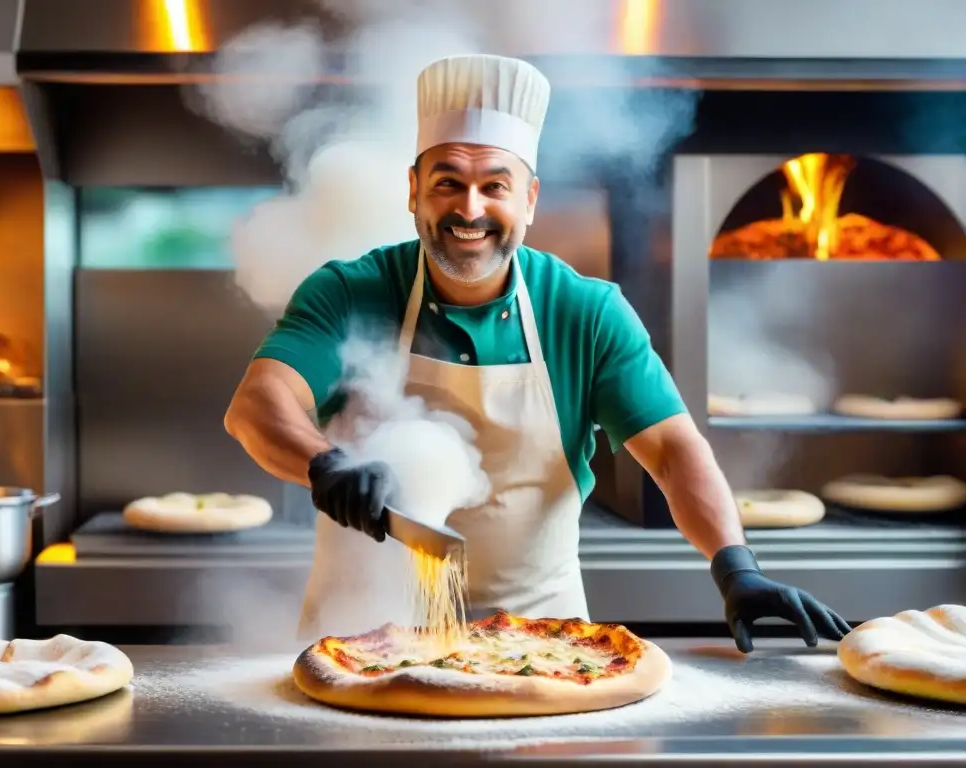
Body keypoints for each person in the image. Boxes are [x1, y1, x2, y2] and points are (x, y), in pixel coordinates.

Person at [224, 53, 851, 652]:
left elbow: (672, 450)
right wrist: (325, 464)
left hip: (545, 648)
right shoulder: (350, 292)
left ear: (529, 199)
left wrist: (735, 566)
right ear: (414, 190)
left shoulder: (585, 311)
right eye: (447, 183)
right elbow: (259, 403)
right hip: (360, 636)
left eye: (495, 185)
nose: (470, 209)